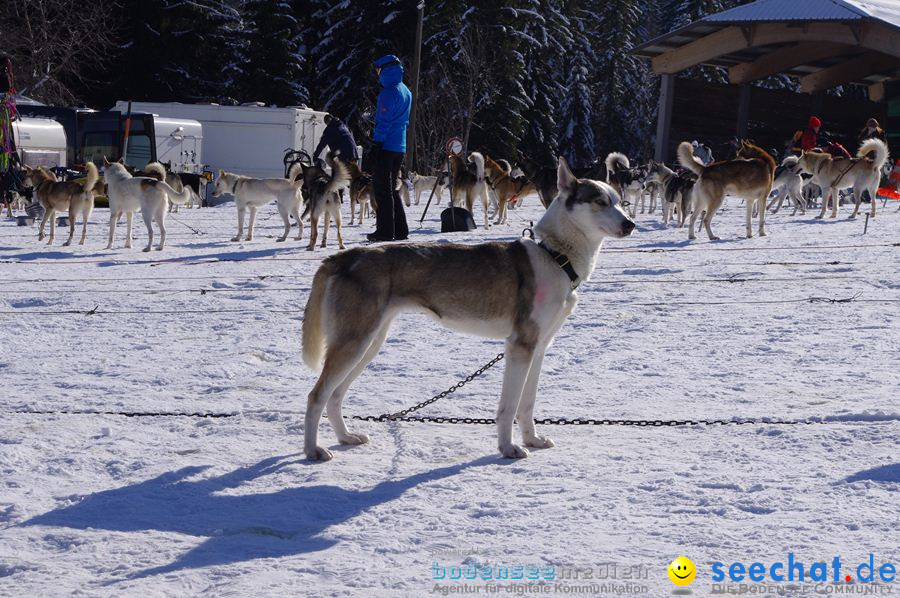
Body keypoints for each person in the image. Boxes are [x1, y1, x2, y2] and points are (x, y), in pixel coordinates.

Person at [367, 54, 412, 242]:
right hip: (400, 146)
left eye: (378, 70)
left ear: (384, 70)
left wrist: (376, 144)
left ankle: (385, 232)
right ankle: (400, 229)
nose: (377, 74)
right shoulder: (405, 90)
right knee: (392, 188)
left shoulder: (388, 93)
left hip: (386, 145)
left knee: (382, 190)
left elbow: (384, 121)